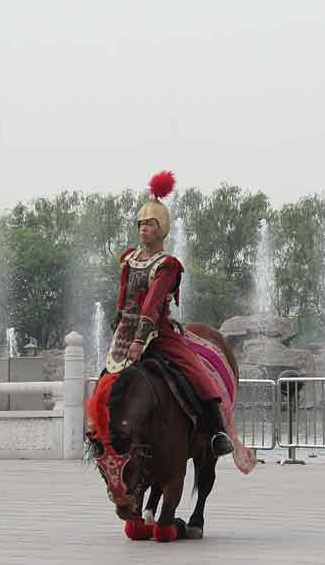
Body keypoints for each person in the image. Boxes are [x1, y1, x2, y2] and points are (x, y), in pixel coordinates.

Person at [105, 171, 233, 456]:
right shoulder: (129, 258)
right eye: (141, 224)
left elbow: (152, 303)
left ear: (161, 228)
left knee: (198, 374)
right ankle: (100, 431)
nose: (143, 229)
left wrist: (139, 341)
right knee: (105, 380)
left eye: (150, 224)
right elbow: (123, 295)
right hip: (125, 335)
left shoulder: (168, 265)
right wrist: (119, 329)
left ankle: (216, 432)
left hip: (158, 335)